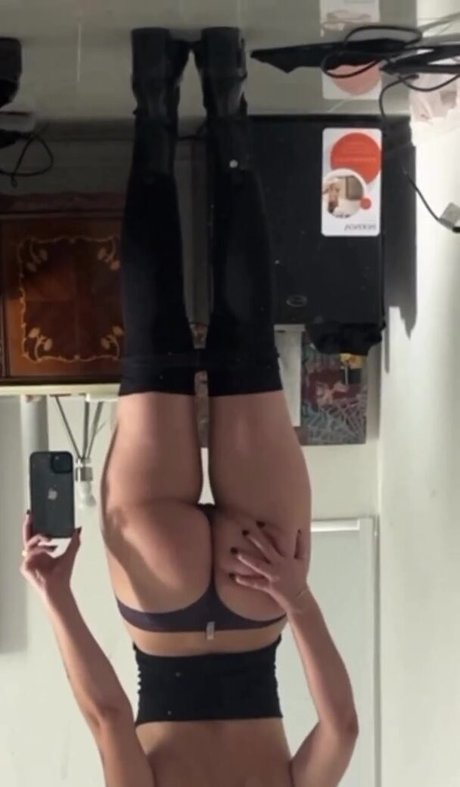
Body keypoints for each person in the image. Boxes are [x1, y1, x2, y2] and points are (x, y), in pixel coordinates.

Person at [19, 27, 359, 787]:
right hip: (161, 607)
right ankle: (153, 96)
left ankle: (227, 88)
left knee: (245, 346)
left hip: (258, 597)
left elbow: (342, 725)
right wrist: (56, 595)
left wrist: (297, 599)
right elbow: (109, 716)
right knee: (154, 346)